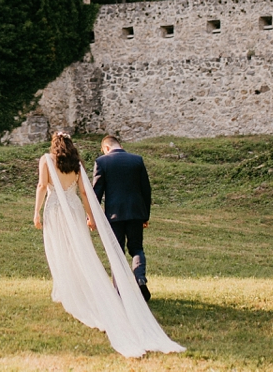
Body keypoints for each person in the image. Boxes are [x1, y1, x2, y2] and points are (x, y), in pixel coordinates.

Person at [34, 132, 184, 358]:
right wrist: (92, 215)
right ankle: (131, 280)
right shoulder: (82, 162)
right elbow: (87, 192)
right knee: (100, 250)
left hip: (68, 210)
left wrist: (36, 212)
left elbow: (45, 186)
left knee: (68, 250)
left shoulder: (54, 160)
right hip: (90, 209)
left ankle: (81, 289)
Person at [92, 135, 153, 302]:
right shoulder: (137, 160)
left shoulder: (102, 162)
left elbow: (96, 192)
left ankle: (119, 290)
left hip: (114, 215)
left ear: (106, 148)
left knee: (117, 251)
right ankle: (140, 278)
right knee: (136, 248)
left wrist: (91, 216)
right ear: (120, 145)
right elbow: (146, 190)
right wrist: (145, 215)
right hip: (135, 213)